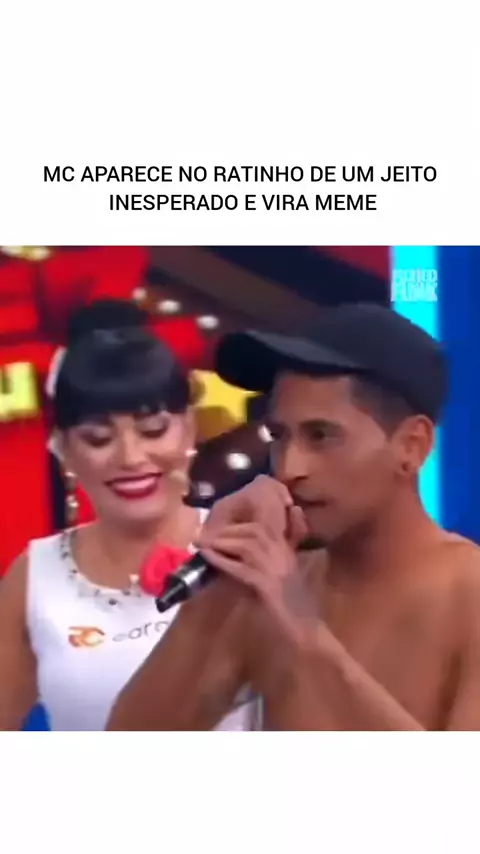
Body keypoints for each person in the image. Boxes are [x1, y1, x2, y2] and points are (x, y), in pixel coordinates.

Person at [108, 302, 480, 731]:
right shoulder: (274, 584)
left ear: (411, 445)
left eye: (321, 436)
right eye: (279, 436)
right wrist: (212, 595)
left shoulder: (468, 593)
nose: (288, 468)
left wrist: (307, 635)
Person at [0, 299, 258, 731]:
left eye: (153, 430)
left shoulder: (244, 546)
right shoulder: (34, 575)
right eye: (98, 439)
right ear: (63, 448)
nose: (131, 457)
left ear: (189, 428)